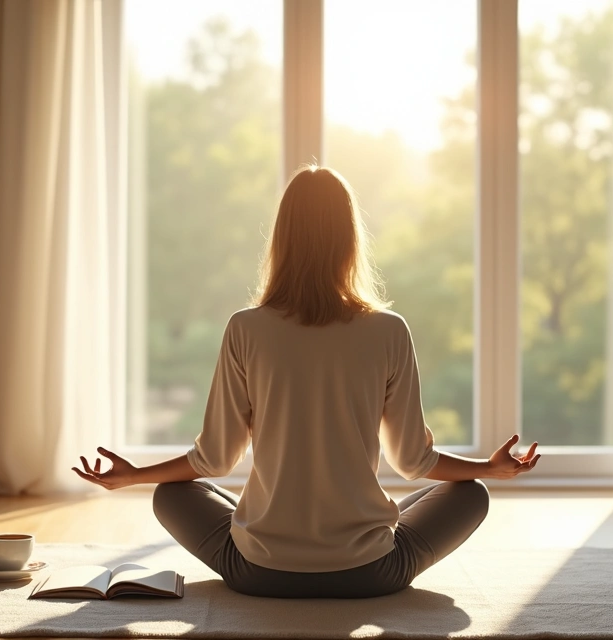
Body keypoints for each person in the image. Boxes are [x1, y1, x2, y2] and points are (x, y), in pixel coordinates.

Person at [73, 165, 542, 598]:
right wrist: (489, 467)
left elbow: (214, 459)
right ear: (350, 241)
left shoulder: (245, 328)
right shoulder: (389, 330)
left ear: (281, 239)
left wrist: (134, 476)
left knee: (172, 492)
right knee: (470, 493)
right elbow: (413, 462)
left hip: (257, 574)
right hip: (370, 575)